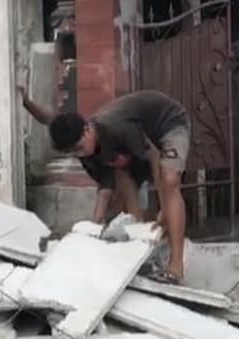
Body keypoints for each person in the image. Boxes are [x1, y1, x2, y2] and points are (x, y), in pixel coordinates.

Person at [21, 87, 192, 285]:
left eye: (79, 148)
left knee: (169, 179)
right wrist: (94, 227)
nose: (79, 154)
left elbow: (153, 154)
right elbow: (105, 187)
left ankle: (176, 267)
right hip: (139, 142)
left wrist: (163, 207)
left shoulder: (114, 126)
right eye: (73, 152)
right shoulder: (87, 151)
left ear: (86, 130)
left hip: (169, 124)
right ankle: (141, 252)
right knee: (122, 182)